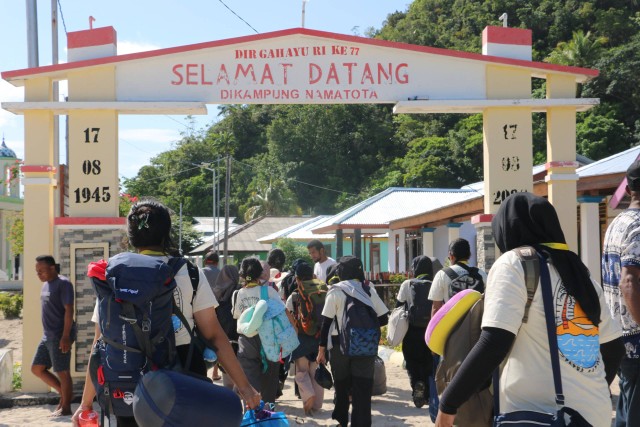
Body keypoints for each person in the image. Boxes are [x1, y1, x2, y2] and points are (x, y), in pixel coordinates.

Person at [434, 192, 624, 427]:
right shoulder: (580, 274)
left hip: (537, 413)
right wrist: (585, 389)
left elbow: (495, 341)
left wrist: (448, 405)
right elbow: (614, 347)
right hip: (593, 414)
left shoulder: (514, 264)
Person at [72, 200, 260, 426]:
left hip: (129, 380)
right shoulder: (188, 272)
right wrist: (245, 388)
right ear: (166, 233)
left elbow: (99, 344)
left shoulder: (113, 275)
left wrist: (85, 403)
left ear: (131, 236)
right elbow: (214, 336)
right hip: (183, 376)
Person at [317, 256, 389, 427]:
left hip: (338, 346)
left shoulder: (336, 290)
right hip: (364, 345)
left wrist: (321, 351)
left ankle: (342, 422)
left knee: (341, 387)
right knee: (362, 389)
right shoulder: (368, 288)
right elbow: (384, 318)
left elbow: (325, 324)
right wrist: (365, 328)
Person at [602, 159, 640, 427]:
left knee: (626, 415)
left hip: (618, 336)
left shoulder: (617, 223)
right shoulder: (638, 226)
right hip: (637, 340)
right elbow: (629, 282)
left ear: (628, 190)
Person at [232, 256, 288, 405]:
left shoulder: (239, 293)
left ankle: (251, 416)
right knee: (269, 382)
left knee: (250, 385)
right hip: (269, 341)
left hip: (246, 341)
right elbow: (282, 312)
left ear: (242, 274)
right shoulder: (268, 291)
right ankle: (267, 414)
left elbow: (237, 316)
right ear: (259, 273)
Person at [32, 255, 76, 417]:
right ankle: (64, 395)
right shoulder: (46, 285)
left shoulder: (63, 284)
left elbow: (69, 310)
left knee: (62, 371)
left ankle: (66, 408)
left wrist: (65, 336)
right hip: (47, 336)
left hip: (59, 335)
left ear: (52, 268)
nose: (39, 274)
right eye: (37, 271)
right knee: (37, 368)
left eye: (41, 271)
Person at [286, 261, 326, 416]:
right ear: (312, 276)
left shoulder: (295, 296)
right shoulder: (322, 291)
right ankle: (316, 405)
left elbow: (289, 316)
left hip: (301, 339)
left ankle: (308, 397)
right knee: (314, 370)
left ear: (297, 279)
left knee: (302, 371)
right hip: (319, 338)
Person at [396, 255, 433, 408]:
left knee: (411, 361)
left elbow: (398, 306)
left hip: (412, 331)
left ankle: (416, 384)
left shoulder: (407, 284)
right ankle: (427, 393)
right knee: (428, 362)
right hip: (431, 331)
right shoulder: (435, 282)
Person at [428, 238, 487, 317]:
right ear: (469, 255)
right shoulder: (481, 274)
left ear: (451, 256)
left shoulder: (442, 274)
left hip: (452, 326)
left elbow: (436, 308)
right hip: (476, 325)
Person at [211, 264, 241, 388]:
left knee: (226, 371)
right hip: (239, 336)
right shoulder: (240, 290)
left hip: (222, 337)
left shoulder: (215, 292)